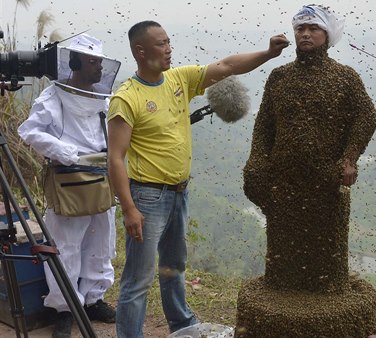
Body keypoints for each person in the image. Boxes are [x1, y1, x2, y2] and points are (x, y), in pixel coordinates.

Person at [107, 20, 289, 338]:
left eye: (169, 41)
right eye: (161, 43)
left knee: (174, 267)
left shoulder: (179, 79)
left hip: (179, 193)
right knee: (138, 279)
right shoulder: (127, 98)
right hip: (147, 197)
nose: (169, 48)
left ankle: (180, 325)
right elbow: (115, 158)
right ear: (141, 51)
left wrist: (269, 53)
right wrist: (129, 208)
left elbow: (226, 66)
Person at [242, 4, 376, 293]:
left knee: (327, 263)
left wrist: (349, 158)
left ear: (327, 35)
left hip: (327, 182)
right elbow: (264, 126)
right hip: (284, 182)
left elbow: (366, 117)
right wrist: (255, 163)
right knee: (283, 259)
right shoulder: (279, 77)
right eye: (300, 28)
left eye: (313, 28)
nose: (305, 34)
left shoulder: (345, 77)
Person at [18, 33, 120, 338]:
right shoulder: (53, 96)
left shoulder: (106, 98)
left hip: (101, 177)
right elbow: (31, 131)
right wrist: (63, 150)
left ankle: (93, 299)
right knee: (65, 246)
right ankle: (65, 308)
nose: (98, 68)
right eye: (92, 62)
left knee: (101, 242)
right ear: (74, 63)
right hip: (68, 179)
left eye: (100, 62)